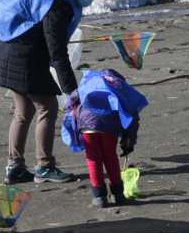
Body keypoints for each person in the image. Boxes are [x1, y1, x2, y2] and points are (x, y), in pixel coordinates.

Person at [0, 0, 104, 185]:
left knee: (23, 110)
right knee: (47, 106)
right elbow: (56, 52)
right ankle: (45, 166)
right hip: (22, 55)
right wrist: (72, 93)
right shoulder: (59, 3)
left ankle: (14, 167)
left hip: (10, 47)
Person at [61, 67, 147, 209]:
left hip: (86, 124)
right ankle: (118, 194)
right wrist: (129, 142)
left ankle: (99, 196)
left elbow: (70, 102)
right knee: (110, 157)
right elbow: (132, 115)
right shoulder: (118, 88)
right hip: (109, 124)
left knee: (93, 158)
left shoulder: (87, 83)